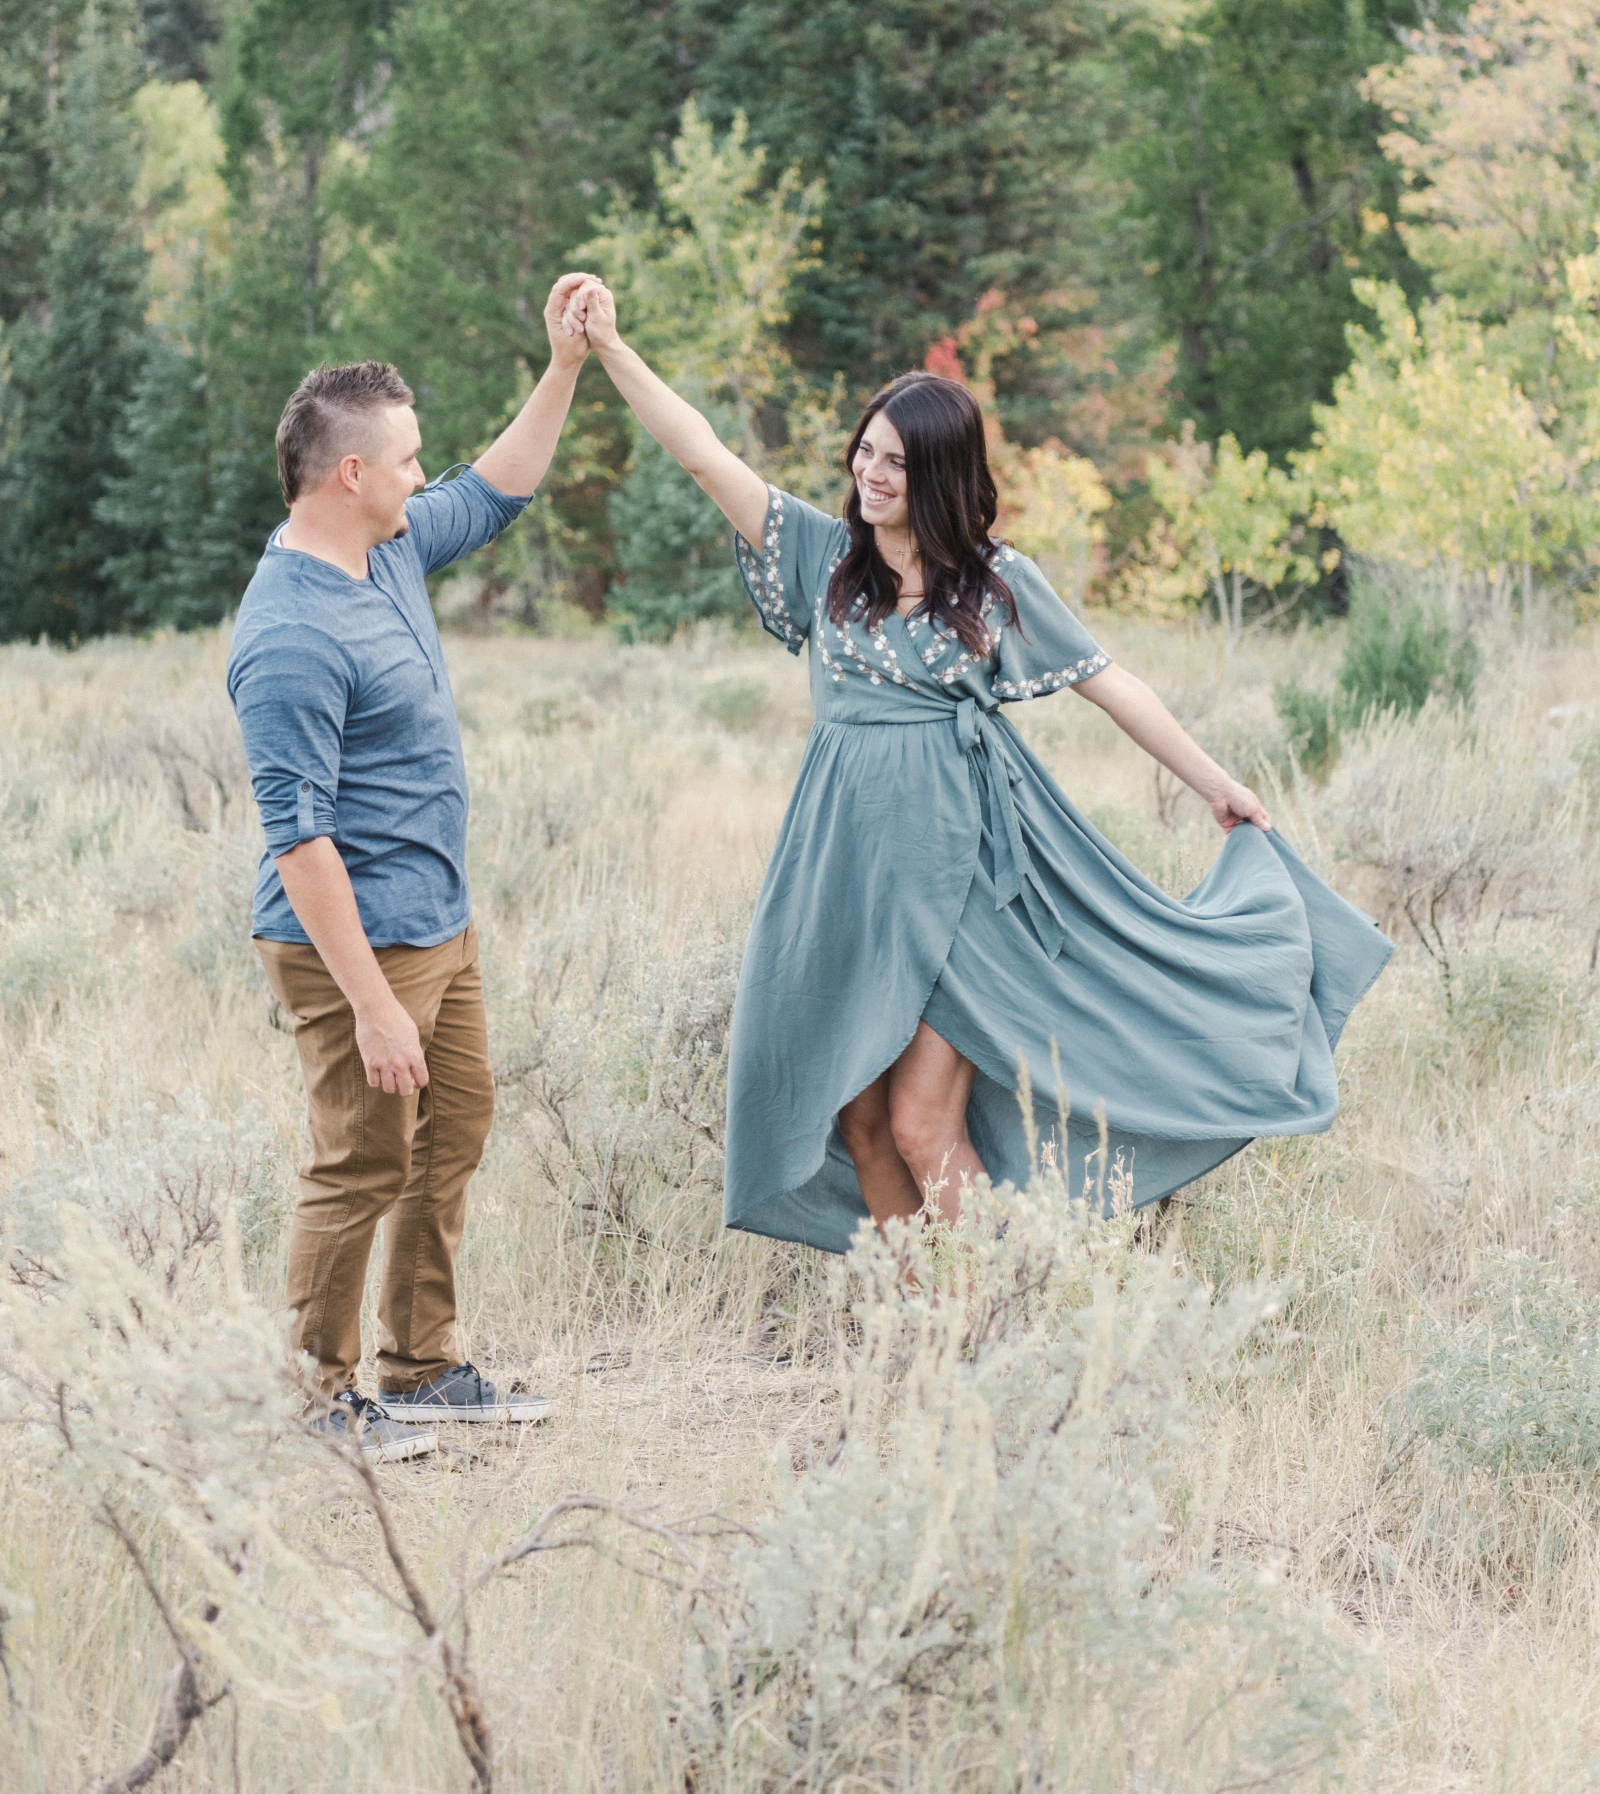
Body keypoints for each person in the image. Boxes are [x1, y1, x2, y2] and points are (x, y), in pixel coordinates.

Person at [562, 274, 1392, 1251]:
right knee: (861, 1123)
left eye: (897, 463)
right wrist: (610, 349)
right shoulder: (822, 560)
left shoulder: (996, 584)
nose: (872, 475)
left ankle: (989, 1317)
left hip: (959, 872)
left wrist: (1215, 784)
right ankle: (929, 1323)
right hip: (842, 873)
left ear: (943, 477)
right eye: (866, 452)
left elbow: (1109, 682)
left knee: (921, 1122)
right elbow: (701, 452)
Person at [227, 276, 593, 1455]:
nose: (421, 475)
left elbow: (495, 487)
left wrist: (564, 366)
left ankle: (423, 1367)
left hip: (439, 922)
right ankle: (311, 1404)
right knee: (359, 1164)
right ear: (350, 474)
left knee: (450, 1132)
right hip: (351, 945)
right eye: (405, 459)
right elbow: (300, 839)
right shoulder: (288, 632)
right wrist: (373, 1006)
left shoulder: (384, 550)